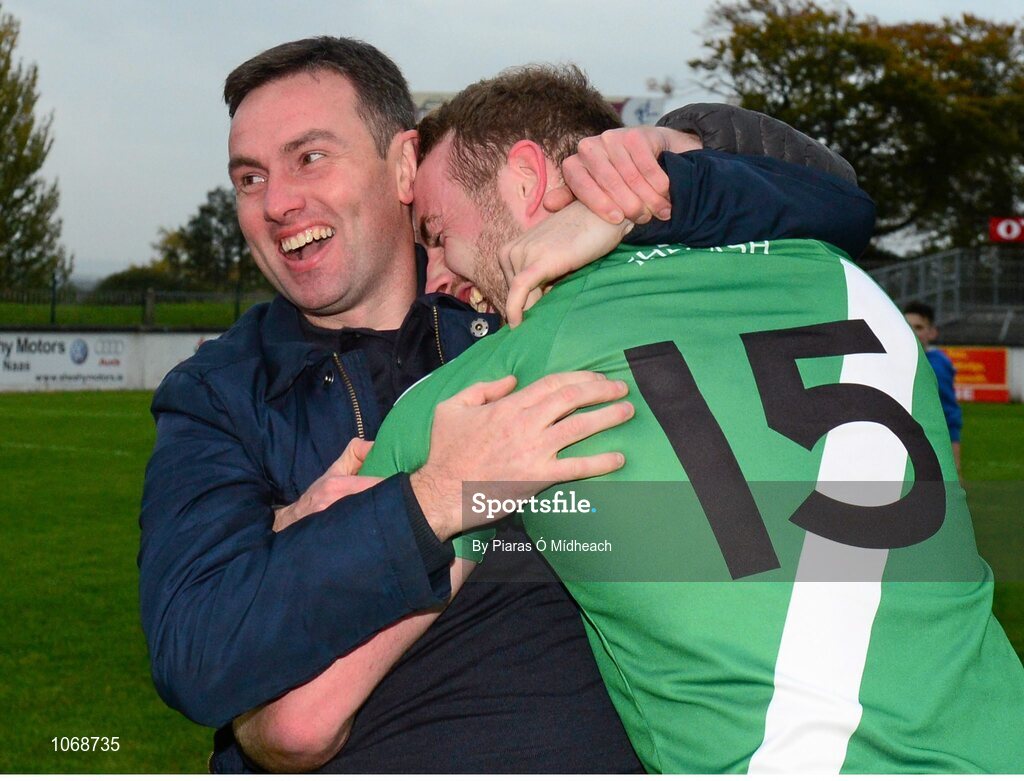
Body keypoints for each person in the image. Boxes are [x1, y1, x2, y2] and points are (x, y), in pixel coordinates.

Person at [140, 38, 882, 774]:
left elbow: (837, 202)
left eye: (309, 157)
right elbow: (197, 658)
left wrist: (668, 161)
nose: (278, 202)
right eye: (249, 177)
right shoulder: (217, 393)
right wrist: (428, 498)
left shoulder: (528, 311)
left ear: (402, 165)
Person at [357, 64, 1024, 773]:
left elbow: (296, 719)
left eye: (436, 230)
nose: (434, 274)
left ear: (524, 180)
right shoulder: (843, 276)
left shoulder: (486, 389)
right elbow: (827, 190)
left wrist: (306, 531)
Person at [904, 301, 963, 473]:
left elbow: (950, 416)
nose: (912, 332)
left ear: (932, 332)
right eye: (907, 326)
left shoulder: (936, 366)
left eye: (919, 327)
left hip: (928, 451)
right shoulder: (892, 362)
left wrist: (954, 466)